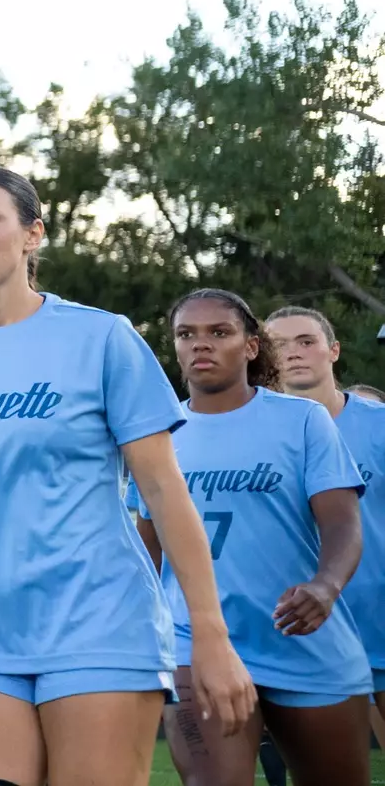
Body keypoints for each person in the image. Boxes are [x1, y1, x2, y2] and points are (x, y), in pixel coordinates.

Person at [0, 166, 255, 786]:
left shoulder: (100, 337)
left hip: (97, 622)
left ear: (33, 235)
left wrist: (209, 633)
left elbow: (163, 491)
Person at [133, 290, 373, 785]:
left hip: (302, 635)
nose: (201, 344)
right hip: (193, 641)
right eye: (186, 334)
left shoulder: (301, 420)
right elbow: (145, 550)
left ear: (250, 347)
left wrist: (325, 586)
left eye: (219, 332)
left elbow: (343, 523)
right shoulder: (156, 436)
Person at [266, 306, 385, 754]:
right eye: (280, 344)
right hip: (300, 634)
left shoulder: (379, 426)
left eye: (306, 341)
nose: (294, 354)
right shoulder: (252, 432)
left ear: (333, 351)